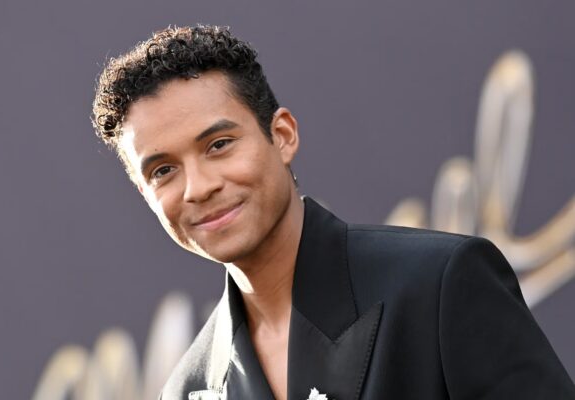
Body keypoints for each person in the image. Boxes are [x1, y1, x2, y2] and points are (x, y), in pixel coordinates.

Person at [91, 25, 575, 400]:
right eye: (163, 171)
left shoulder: (440, 283)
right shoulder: (188, 387)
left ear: (282, 136)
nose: (199, 187)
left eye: (219, 145)